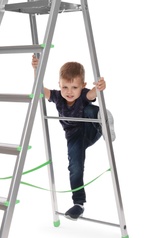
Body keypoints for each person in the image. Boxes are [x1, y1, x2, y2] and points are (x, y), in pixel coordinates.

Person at [31, 55, 115, 220]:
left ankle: (104, 121)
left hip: (91, 129)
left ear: (82, 86)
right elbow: (40, 89)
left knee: (90, 109)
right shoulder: (57, 97)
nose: (69, 92)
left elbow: (91, 94)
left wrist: (99, 87)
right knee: (75, 167)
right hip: (75, 138)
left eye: (74, 87)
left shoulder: (83, 95)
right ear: (59, 85)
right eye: (65, 87)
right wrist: (36, 70)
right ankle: (78, 204)